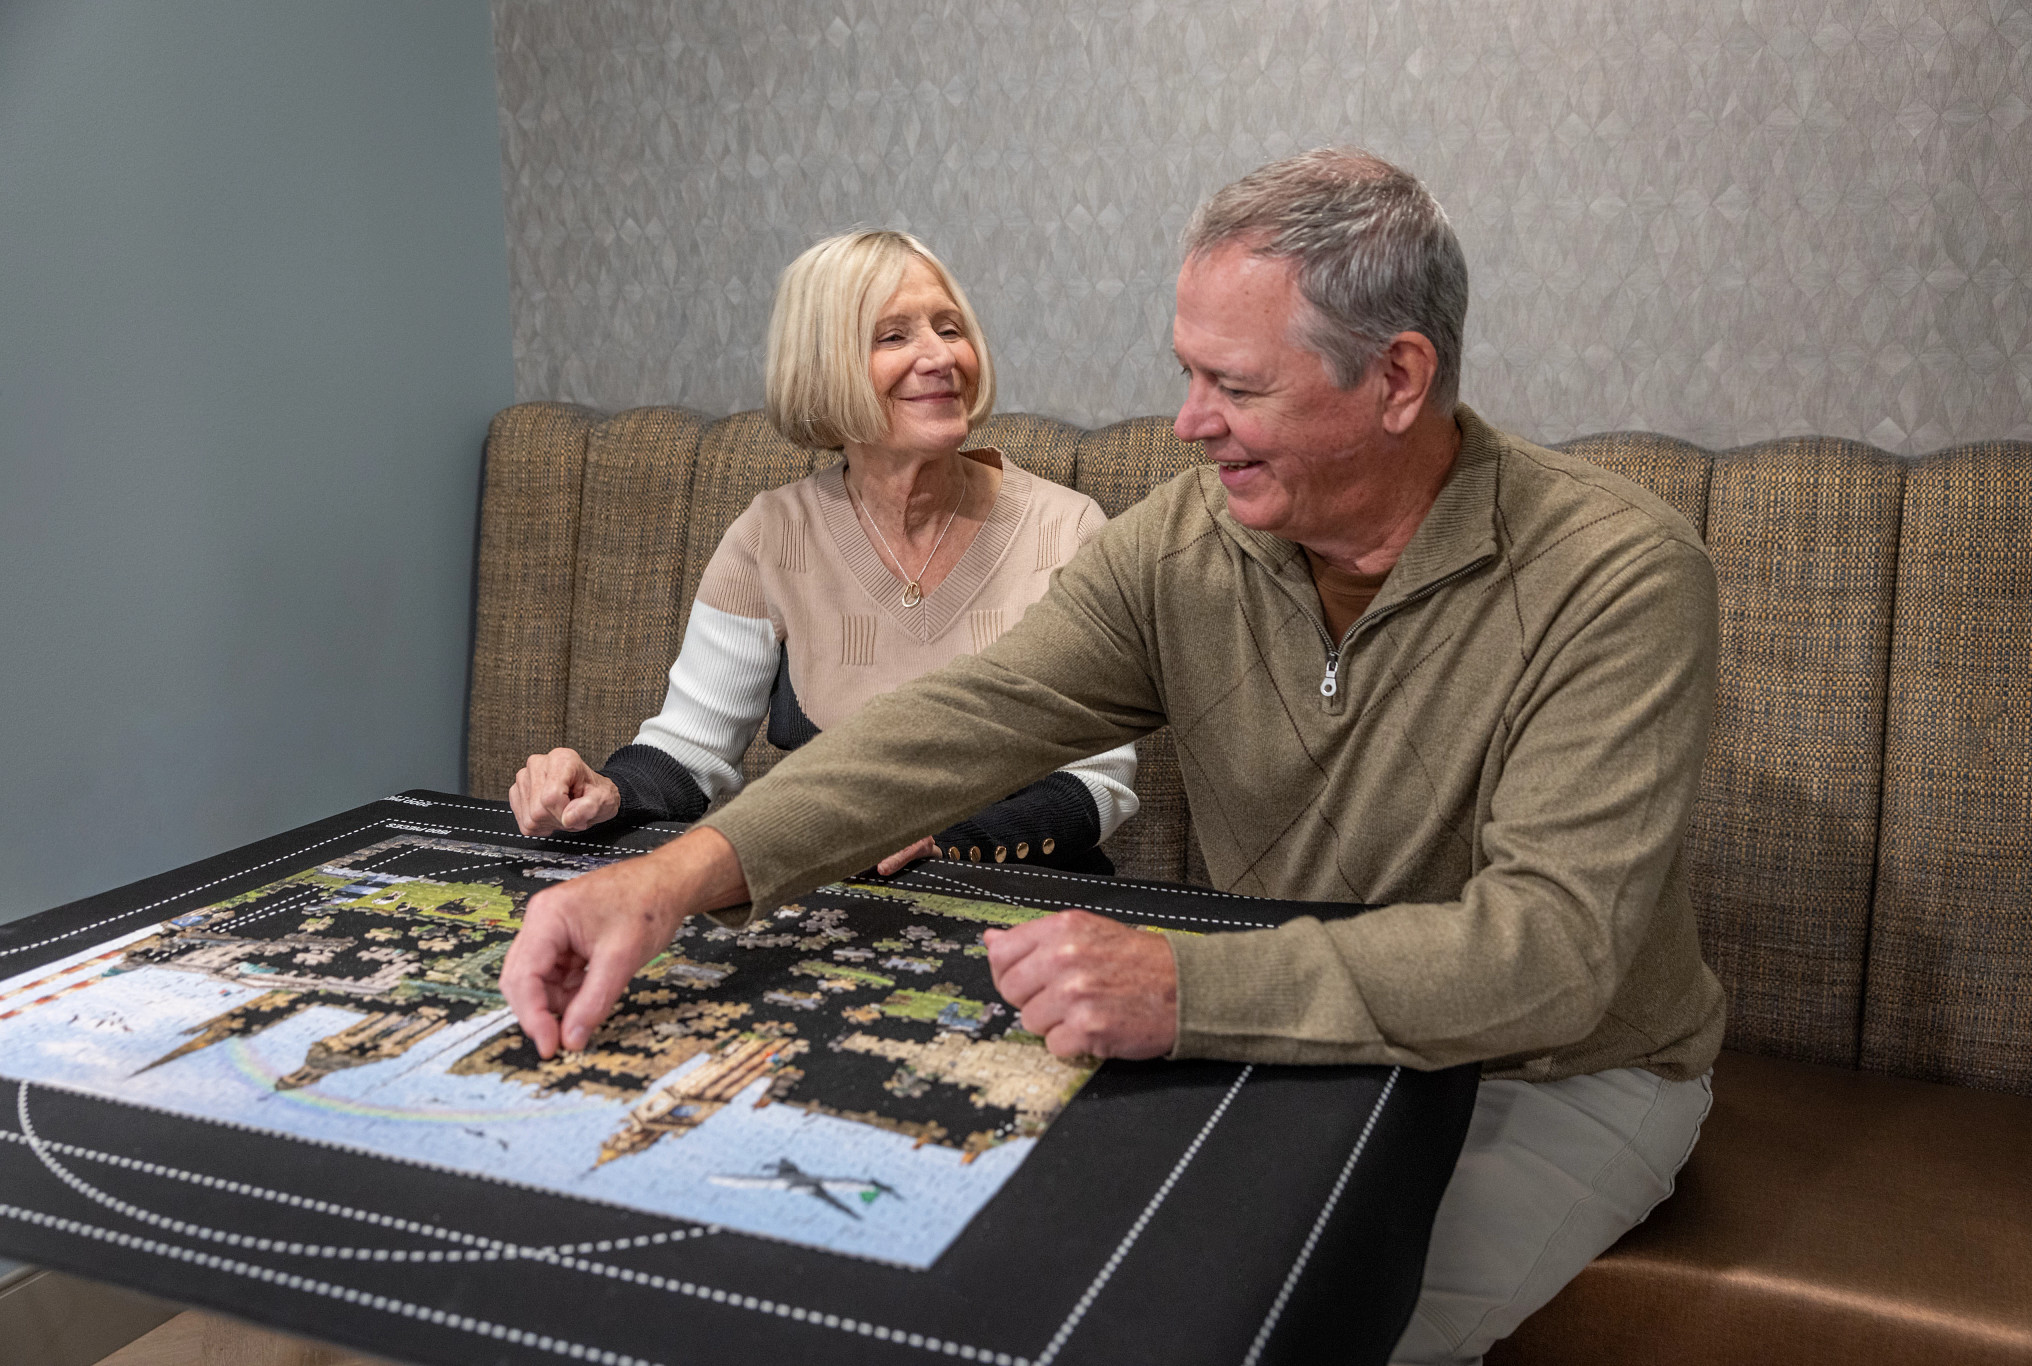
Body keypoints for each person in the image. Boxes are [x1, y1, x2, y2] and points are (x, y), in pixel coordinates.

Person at [501, 151, 1724, 1365]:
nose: (1189, 422)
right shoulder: (1187, 538)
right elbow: (962, 721)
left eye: (1233, 386)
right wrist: (660, 880)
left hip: (1551, 1074)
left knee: (1275, 1327)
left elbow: (1550, 955)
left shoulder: (1613, 575)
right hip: (1277, 1054)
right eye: (1185, 373)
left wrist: (1186, 988)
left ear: (1397, 377)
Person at [506, 229, 1139, 880]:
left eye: (949, 329)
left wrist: (947, 838)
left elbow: (1098, 780)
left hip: (1026, 901)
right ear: (822, 366)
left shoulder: (1065, 530)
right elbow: (692, 748)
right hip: (842, 902)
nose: (940, 356)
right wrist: (607, 792)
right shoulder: (772, 535)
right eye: (893, 336)